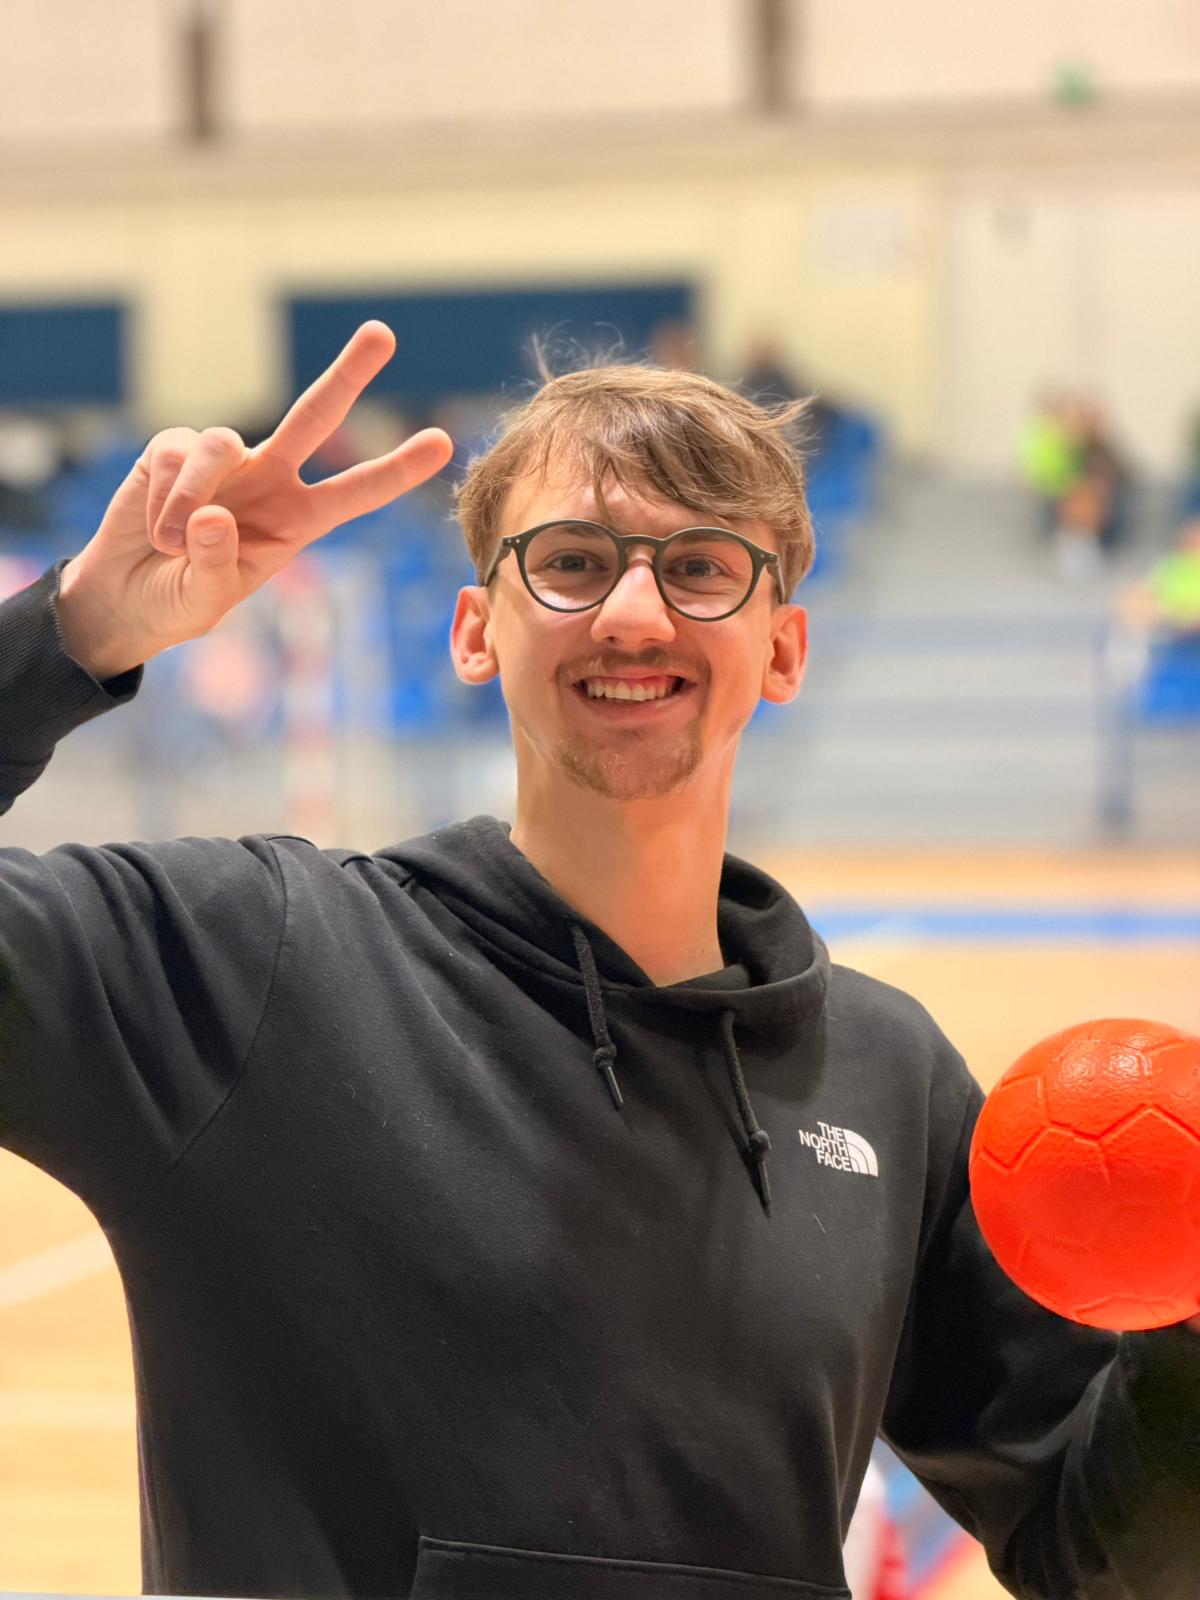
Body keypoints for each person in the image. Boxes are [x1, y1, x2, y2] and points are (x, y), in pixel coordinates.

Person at [1, 321, 1199, 1600]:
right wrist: (75, 630)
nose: (633, 612)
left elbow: (1104, 1560)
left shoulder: (890, 1081)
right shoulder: (239, 964)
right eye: (572, 561)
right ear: (476, 630)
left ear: (783, 649)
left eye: (701, 567)